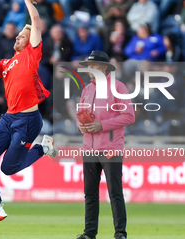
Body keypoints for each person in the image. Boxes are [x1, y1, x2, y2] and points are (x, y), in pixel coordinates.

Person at [0, 0, 57, 228]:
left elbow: (36, 24)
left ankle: (42, 148)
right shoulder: (6, 63)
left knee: (9, 168)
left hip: (28, 120)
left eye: (22, 35)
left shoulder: (32, 54)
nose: (17, 38)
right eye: (18, 35)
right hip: (9, 119)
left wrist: (26, 2)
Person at [76, 51, 135, 239]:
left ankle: (120, 234)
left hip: (110, 149)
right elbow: (81, 115)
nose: (89, 70)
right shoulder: (87, 90)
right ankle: (89, 233)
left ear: (104, 68)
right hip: (89, 149)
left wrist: (102, 125)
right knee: (90, 194)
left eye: (93, 66)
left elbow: (129, 116)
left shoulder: (118, 87)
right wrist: (81, 125)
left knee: (115, 193)